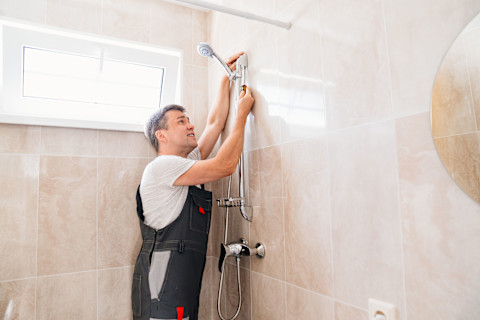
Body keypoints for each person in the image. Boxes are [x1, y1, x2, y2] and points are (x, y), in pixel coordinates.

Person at [132, 52, 254, 320]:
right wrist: (242, 114)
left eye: (188, 120)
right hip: (161, 283)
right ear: (161, 135)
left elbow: (214, 123)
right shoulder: (163, 166)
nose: (191, 125)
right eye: (181, 122)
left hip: (176, 278)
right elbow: (224, 166)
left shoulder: (186, 162)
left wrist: (225, 79)